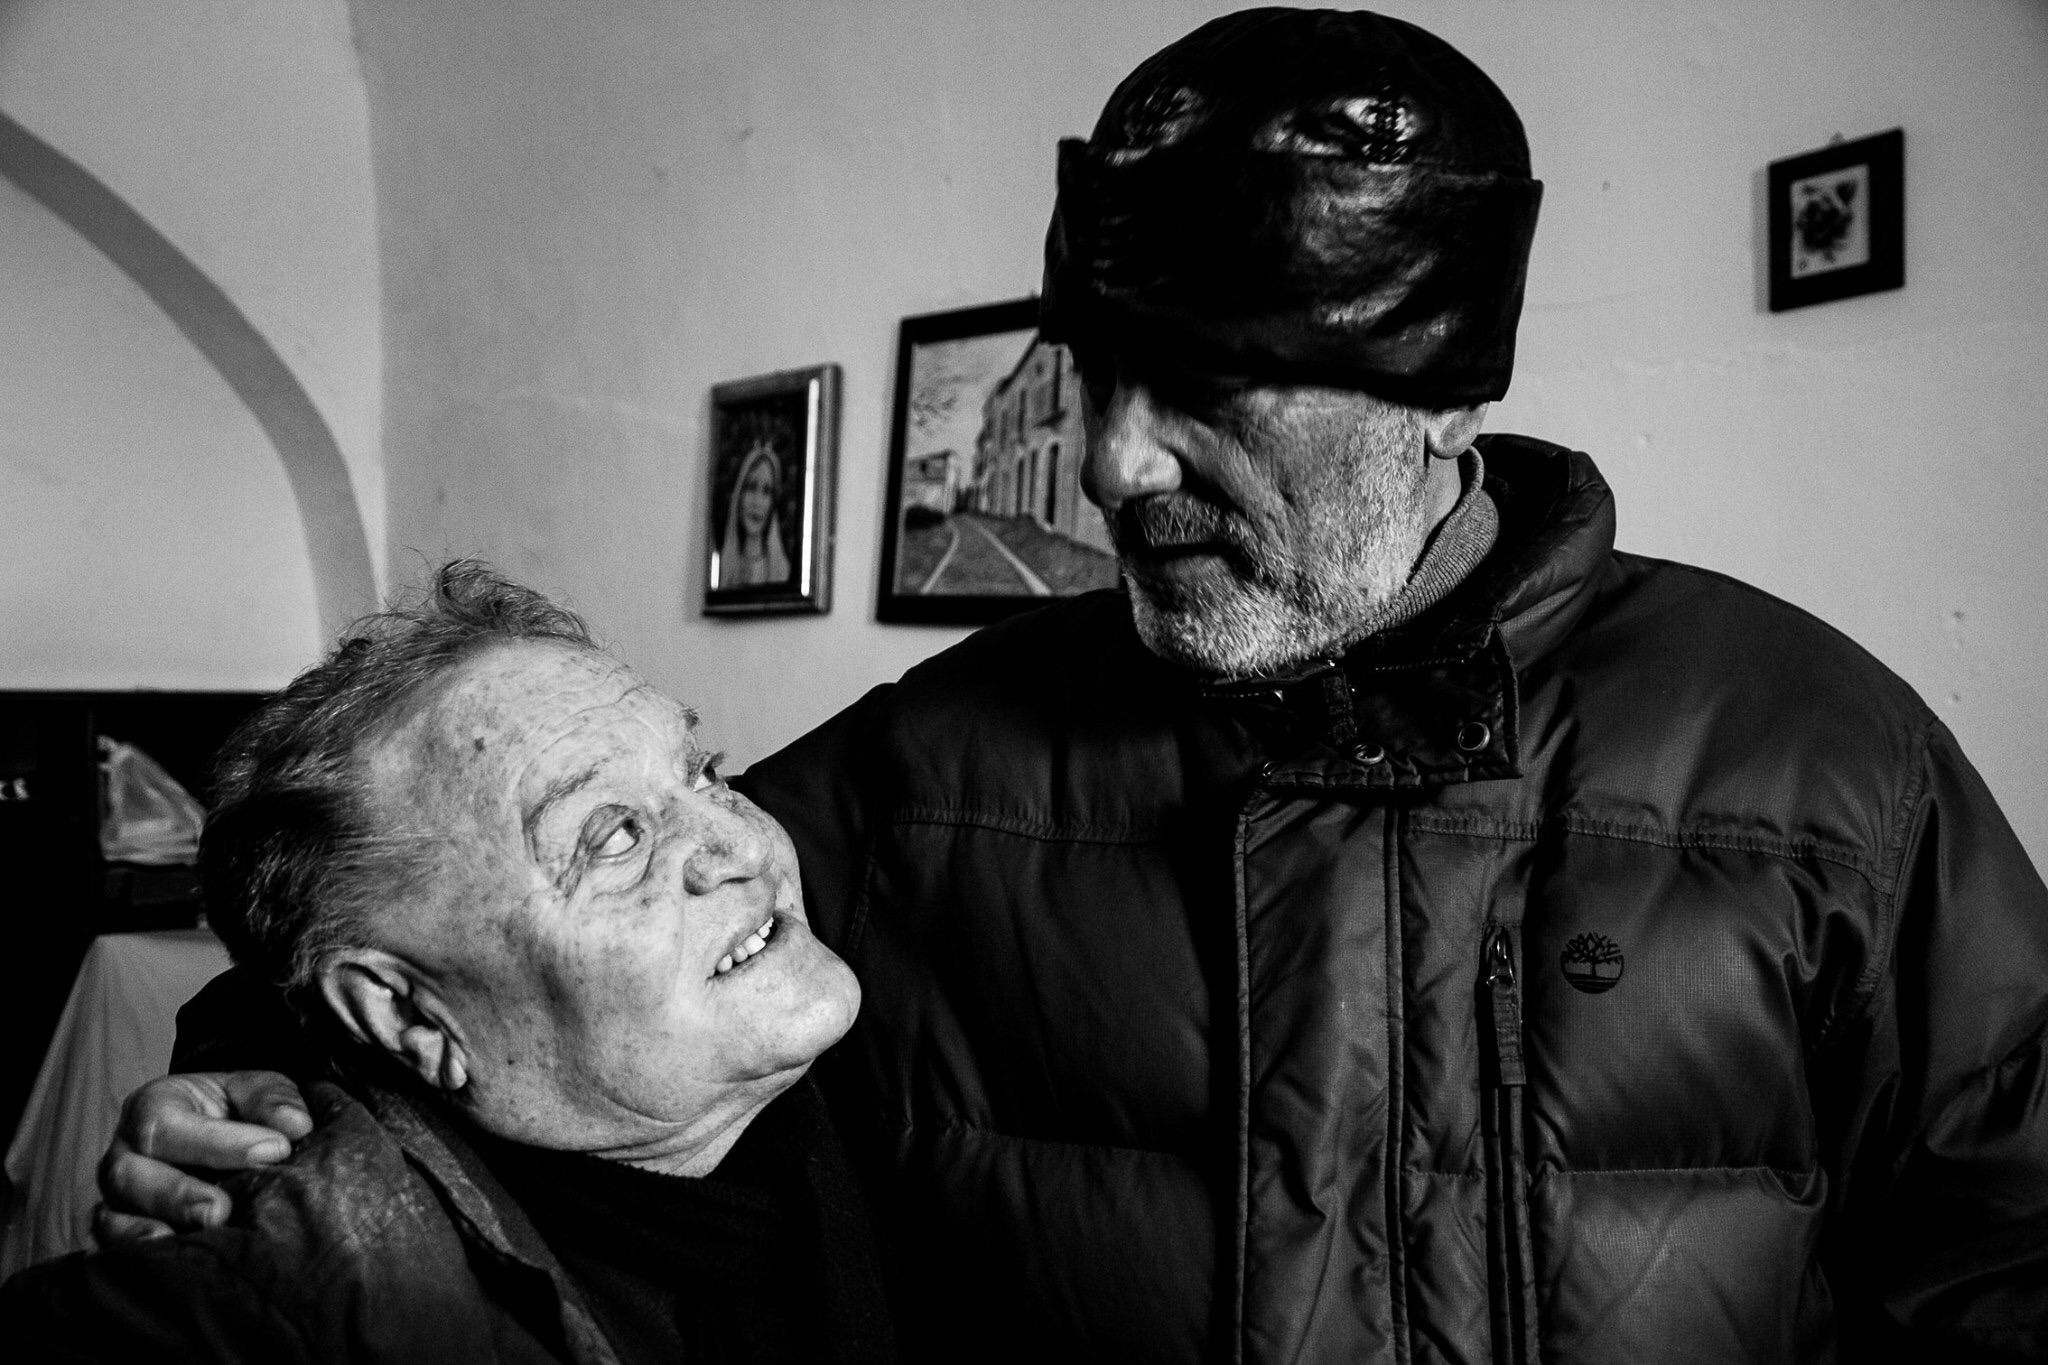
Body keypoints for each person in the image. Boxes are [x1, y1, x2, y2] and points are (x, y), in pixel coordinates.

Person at [90, 9, 2048, 1363]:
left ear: (1441, 395)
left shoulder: (1822, 760)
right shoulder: (945, 760)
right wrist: (261, 1096)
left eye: (1203, 384)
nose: (1108, 463)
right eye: (1092, 372)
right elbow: (464, 932)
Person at [0, 563, 894, 1364]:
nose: (744, 842)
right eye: (614, 836)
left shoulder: (840, 1101)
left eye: (704, 772)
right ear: (406, 1014)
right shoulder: (296, 1301)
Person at [719, 438, 793, 587]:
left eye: (766, 491)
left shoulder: (782, 570)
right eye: (751, 487)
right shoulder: (722, 567)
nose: (757, 502)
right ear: (739, 495)